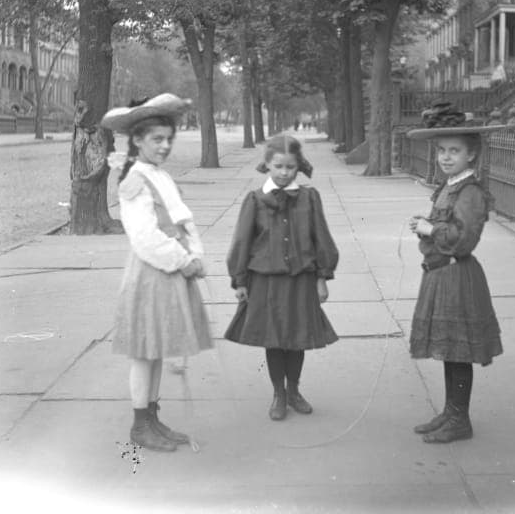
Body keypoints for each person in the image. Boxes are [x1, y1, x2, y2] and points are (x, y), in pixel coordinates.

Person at [101, 94, 212, 452]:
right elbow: (145, 237)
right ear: (137, 140)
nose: (164, 146)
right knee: (144, 351)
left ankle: (152, 417)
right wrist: (184, 261)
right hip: (152, 272)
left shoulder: (159, 174)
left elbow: (181, 221)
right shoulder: (134, 179)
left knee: (158, 348)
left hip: (172, 269)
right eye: (156, 140)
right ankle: (139, 424)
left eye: (168, 139)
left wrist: (196, 255)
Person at [407, 102, 504, 444]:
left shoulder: (470, 191)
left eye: (455, 151)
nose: (446, 157)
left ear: (472, 155)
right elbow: (446, 225)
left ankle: (460, 419)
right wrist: (426, 225)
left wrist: (431, 230)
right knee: (448, 349)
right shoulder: (449, 185)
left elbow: (463, 240)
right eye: (442, 150)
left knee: (458, 350)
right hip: (441, 276)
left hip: (457, 278)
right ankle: (450, 412)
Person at [225, 134, 339, 421]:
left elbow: (321, 237)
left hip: (301, 279)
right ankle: (279, 393)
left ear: (298, 167)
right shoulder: (255, 200)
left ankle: (294, 390)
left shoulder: (309, 198)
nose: (284, 173)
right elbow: (241, 241)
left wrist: (322, 276)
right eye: (278, 166)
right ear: (267, 165)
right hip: (266, 281)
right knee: (274, 338)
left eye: (290, 167)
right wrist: (239, 280)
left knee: (297, 338)